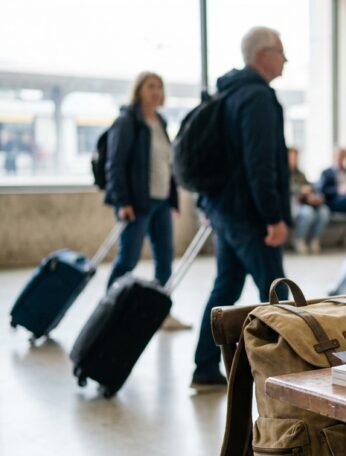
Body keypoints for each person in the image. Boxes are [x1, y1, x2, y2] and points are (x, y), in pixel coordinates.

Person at [192, 26, 291, 390]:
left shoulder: (228, 92)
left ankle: (204, 365)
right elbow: (260, 163)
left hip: (225, 209)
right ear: (263, 55)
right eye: (281, 51)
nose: (285, 59)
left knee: (226, 288)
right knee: (278, 293)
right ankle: (294, 373)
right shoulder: (257, 98)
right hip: (249, 216)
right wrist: (273, 216)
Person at [104, 71, 178, 291]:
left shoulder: (161, 123)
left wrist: (173, 200)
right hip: (137, 203)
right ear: (138, 91)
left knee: (165, 259)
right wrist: (122, 202)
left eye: (159, 87)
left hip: (162, 202)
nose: (156, 92)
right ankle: (109, 309)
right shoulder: (127, 121)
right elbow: (115, 164)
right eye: (150, 87)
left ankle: (159, 309)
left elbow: (167, 163)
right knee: (128, 259)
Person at [288, 147, 329, 254]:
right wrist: (301, 191)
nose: (295, 160)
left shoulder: (300, 174)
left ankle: (314, 239)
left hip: (307, 202)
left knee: (324, 211)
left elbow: (310, 187)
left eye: (296, 157)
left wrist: (314, 196)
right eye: (292, 157)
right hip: (293, 203)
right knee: (307, 213)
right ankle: (299, 238)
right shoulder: (283, 174)